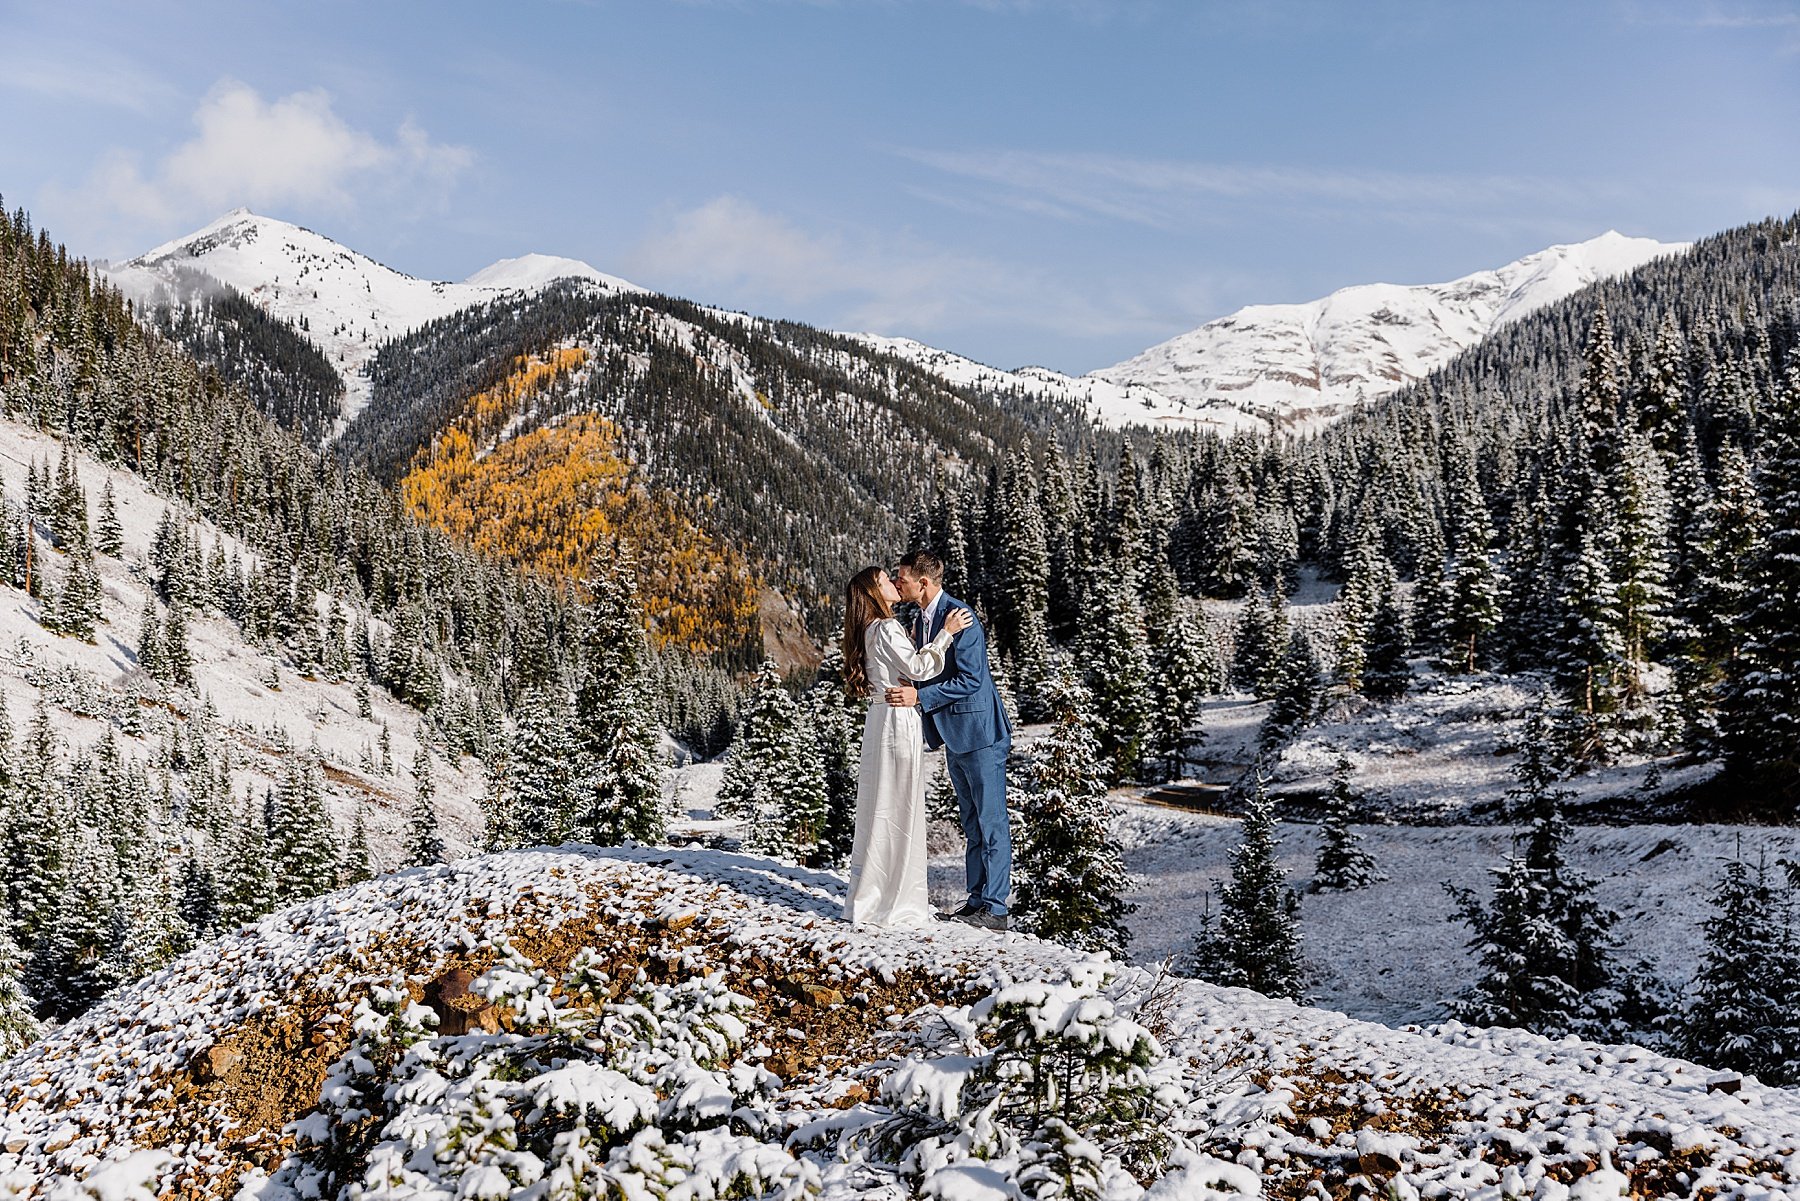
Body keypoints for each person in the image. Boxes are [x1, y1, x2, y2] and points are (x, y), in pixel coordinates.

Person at [841, 565, 973, 928]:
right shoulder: (885, 627)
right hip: (899, 722)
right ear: (874, 592)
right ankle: (897, 901)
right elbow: (918, 668)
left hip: (879, 720)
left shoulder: (867, 631)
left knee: (879, 806)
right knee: (900, 806)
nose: (895, 584)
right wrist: (945, 635)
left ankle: (873, 895)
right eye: (886, 581)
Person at [888, 551, 1013, 931]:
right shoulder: (922, 619)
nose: (898, 585)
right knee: (972, 823)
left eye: (902, 580)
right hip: (954, 735)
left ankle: (996, 908)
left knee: (991, 823)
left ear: (922, 584)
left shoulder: (961, 617)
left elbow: (972, 680)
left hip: (979, 733)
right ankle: (977, 901)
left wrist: (921, 698)